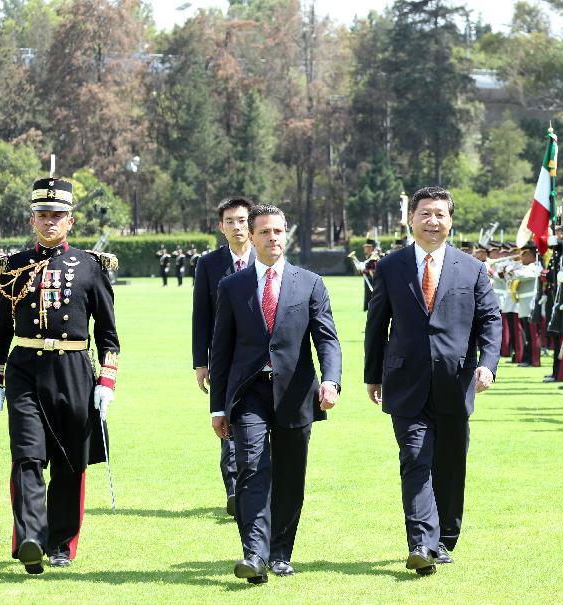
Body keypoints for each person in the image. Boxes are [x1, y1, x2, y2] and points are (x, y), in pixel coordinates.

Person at [364, 186, 501, 576]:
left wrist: (488, 364)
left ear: (451, 221)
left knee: (450, 463)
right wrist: (373, 375)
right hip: (405, 381)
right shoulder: (391, 266)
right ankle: (422, 543)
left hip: (456, 381)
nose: (432, 221)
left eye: (440, 214)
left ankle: (445, 537)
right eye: (425, 214)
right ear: (412, 220)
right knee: (415, 459)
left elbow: (490, 320)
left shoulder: (471, 268)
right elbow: (377, 323)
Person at [210, 205, 342, 584]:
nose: (273, 238)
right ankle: (254, 553)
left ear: (287, 235)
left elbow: (327, 341)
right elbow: (220, 352)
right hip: (248, 393)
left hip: (296, 393)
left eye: (279, 232)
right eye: (265, 232)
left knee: (289, 474)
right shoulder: (232, 287)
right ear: (251, 237)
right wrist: (217, 407)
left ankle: (280, 552)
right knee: (251, 467)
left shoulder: (310, 283)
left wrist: (331, 381)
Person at [0, 175, 119, 573]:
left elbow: (108, 334)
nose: (50, 221)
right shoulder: (11, 266)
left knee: (70, 461)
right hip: (25, 370)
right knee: (27, 456)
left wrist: (106, 381)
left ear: (70, 221)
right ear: (32, 219)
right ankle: (31, 537)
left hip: (72, 370)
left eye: (58, 215)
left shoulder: (90, 266)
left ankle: (61, 544)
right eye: (43, 214)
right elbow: (0, 331)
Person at [192, 196, 256, 516]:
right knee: (226, 422)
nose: (237, 226)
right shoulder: (209, 264)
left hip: (261, 360)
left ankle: (254, 485)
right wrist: (200, 362)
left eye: (242, 220)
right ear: (221, 227)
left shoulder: (268, 259)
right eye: (229, 221)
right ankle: (234, 490)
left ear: (252, 222)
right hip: (223, 360)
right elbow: (200, 315)